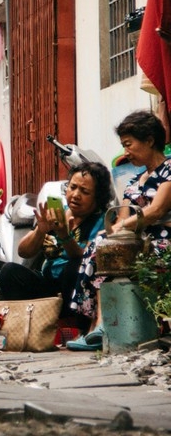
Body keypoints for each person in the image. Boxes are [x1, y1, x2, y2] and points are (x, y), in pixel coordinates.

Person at [69, 111, 171, 348]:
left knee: (103, 242)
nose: (126, 151)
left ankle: (98, 326)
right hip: (137, 243)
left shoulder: (168, 170)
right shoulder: (135, 182)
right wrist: (114, 232)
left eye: (129, 144)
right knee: (103, 244)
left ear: (149, 140)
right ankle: (99, 326)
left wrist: (120, 228)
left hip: (162, 242)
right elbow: (120, 221)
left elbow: (156, 211)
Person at [0, 162, 112, 329]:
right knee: (9, 272)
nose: (75, 195)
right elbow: (23, 251)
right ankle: (26, 325)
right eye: (72, 187)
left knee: (76, 266)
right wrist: (40, 231)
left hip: (75, 286)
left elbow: (87, 259)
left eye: (85, 192)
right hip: (49, 284)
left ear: (98, 197)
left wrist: (64, 237)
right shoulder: (58, 211)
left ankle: (72, 324)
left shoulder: (102, 220)